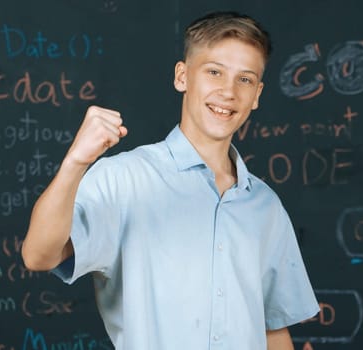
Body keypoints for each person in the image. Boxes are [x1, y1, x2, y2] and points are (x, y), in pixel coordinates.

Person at [22, 11, 319, 350]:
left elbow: (272, 329)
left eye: (245, 79)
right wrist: (76, 162)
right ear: (182, 76)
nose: (228, 91)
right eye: (214, 72)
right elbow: (38, 256)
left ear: (257, 95)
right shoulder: (124, 179)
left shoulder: (265, 206)